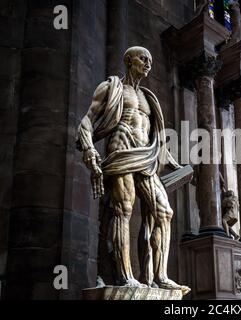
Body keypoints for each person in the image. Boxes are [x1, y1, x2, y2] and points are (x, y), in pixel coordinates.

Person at [77, 46, 187, 292]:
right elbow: (87, 120)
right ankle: (125, 275)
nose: (148, 63)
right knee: (123, 209)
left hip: (146, 157)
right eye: (142, 58)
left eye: (150, 60)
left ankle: (160, 276)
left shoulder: (149, 98)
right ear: (128, 60)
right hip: (121, 150)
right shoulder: (111, 88)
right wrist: (88, 150)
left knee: (164, 212)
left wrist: (177, 166)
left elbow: (154, 138)